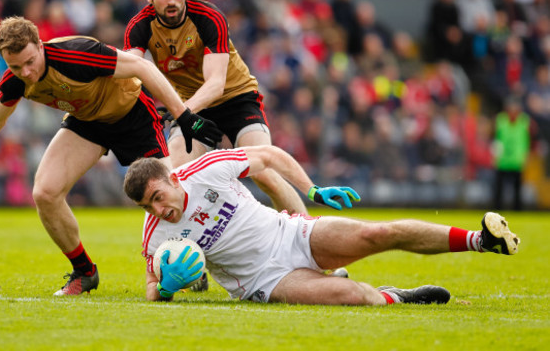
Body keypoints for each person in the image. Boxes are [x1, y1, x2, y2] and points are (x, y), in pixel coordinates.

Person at [0, 16, 223, 296]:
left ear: (41, 46)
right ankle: (84, 271)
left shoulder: (77, 54)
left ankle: (191, 261)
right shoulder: (15, 79)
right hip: (88, 122)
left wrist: (183, 116)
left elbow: (142, 68)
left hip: (133, 116)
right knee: (45, 192)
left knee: (165, 193)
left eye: (30, 62)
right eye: (16, 67)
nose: (26, 72)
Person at [123, 146, 520, 305]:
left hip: (290, 233)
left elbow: (270, 156)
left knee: (378, 233)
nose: (159, 211)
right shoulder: (155, 232)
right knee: (351, 297)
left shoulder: (205, 171)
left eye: (158, 197)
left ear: (173, 178)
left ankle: (482, 240)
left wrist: (312, 190)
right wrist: (167, 286)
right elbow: (151, 288)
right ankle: (396, 296)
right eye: (148, 206)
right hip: (265, 281)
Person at [123, 0, 307, 217]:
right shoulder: (139, 27)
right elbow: (131, 75)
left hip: (237, 98)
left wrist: (180, 113)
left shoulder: (208, 17)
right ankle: (180, 249)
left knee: (263, 172)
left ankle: (309, 240)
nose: (172, 0)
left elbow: (216, 84)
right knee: (174, 176)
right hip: (193, 108)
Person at [493, 95, 532, 211]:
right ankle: (497, 210)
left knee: (517, 189)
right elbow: (495, 138)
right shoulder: (500, 120)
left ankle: (517, 210)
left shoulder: (524, 121)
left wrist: (526, 155)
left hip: (517, 160)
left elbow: (528, 139)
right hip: (502, 159)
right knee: (499, 189)